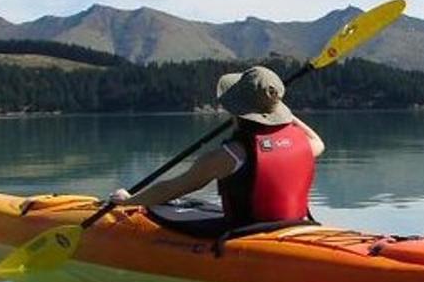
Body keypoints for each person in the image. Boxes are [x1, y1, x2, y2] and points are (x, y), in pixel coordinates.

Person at [108, 66, 324, 227]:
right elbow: (318, 141)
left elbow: (172, 188)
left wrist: (129, 201)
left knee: (167, 205)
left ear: (236, 109)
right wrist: (280, 112)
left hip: (247, 231)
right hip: (295, 224)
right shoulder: (304, 143)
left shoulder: (229, 156)